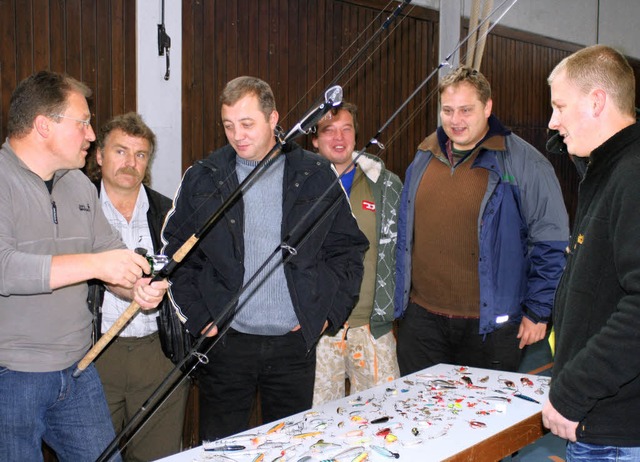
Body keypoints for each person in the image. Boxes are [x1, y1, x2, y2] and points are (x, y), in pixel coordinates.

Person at [162, 76, 368, 441]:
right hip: (225, 343)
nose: (237, 135)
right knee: (222, 448)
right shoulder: (204, 177)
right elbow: (176, 256)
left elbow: (348, 250)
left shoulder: (315, 173)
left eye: (247, 124)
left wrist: (326, 316)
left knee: (289, 446)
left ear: (273, 119)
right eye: (228, 125)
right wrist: (201, 318)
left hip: (292, 345)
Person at [0, 71, 167, 461]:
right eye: (83, 123)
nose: (91, 135)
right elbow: (5, 267)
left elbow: (110, 256)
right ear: (44, 125)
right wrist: (96, 263)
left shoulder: (77, 184)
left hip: (79, 371)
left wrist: (135, 286)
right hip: (12, 376)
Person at [394, 66, 569, 376]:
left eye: (466, 110)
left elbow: (551, 241)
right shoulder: (425, 153)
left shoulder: (525, 162)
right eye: (447, 110)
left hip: (490, 329)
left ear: (488, 107)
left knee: (483, 421)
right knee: (423, 417)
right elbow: (406, 235)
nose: (455, 120)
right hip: (422, 324)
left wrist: (538, 312)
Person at [541, 45, 640, 460]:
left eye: (560, 107)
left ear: (597, 100)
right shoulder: (608, 170)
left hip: (615, 430)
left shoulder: (632, 175)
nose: (552, 122)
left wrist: (571, 391)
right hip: (599, 419)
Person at [84, 112, 189, 461]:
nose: (130, 163)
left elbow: (189, 276)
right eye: (120, 151)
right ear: (99, 155)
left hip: (159, 354)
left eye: (140, 154)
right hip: (97, 356)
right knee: (94, 456)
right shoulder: (79, 210)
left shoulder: (168, 213)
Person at [310, 102, 401, 405]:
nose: (338, 137)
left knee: (384, 419)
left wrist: (393, 310)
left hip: (372, 329)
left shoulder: (385, 184)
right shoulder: (298, 187)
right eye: (328, 130)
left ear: (355, 134)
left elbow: (402, 249)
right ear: (314, 139)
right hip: (319, 331)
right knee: (317, 427)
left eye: (346, 129)